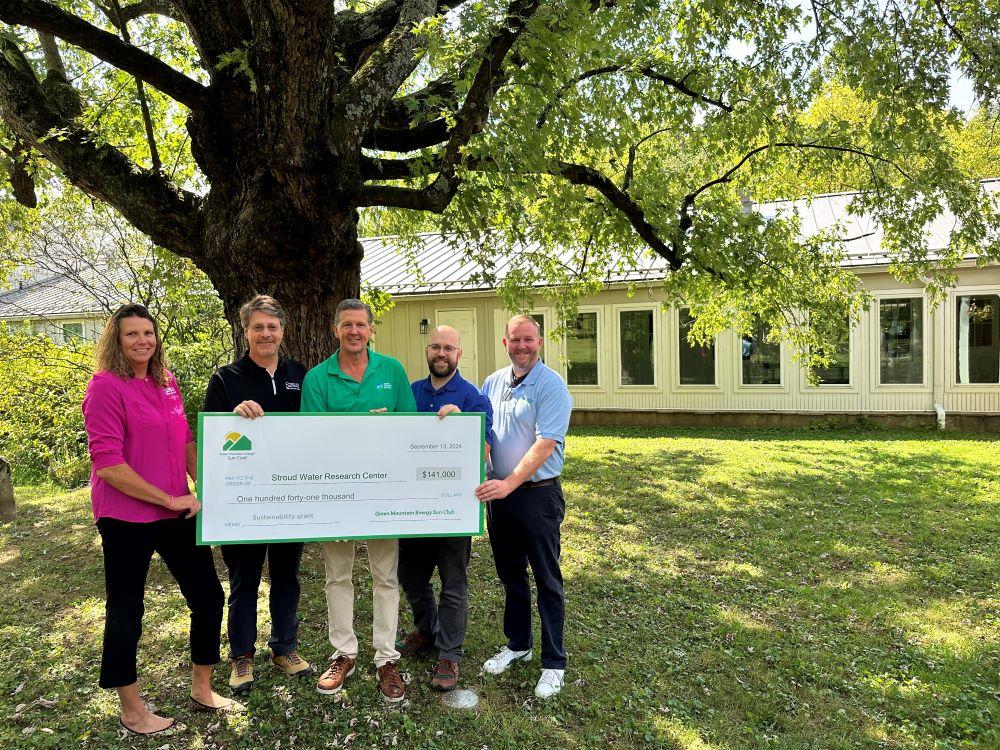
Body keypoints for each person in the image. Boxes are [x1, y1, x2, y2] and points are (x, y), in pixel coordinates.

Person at [82, 304, 236, 737]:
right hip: (126, 515)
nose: (142, 341)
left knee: (208, 597)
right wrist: (168, 498)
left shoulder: (165, 382)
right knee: (126, 608)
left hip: (176, 510)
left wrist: (206, 485)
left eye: (148, 333)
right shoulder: (104, 387)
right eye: (131, 334)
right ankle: (132, 710)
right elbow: (108, 464)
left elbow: (185, 439)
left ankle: (202, 688)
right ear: (116, 339)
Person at [300, 298, 417, 703]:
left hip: (384, 490)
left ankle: (386, 657)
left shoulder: (393, 371)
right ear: (336, 329)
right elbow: (313, 441)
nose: (354, 331)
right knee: (338, 575)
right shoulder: (318, 379)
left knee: (386, 576)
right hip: (337, 492)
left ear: (370, 330)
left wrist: (387, 428)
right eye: (346, 324)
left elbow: (410, 430)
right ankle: (344, 653)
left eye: (360, 325)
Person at [203, 295, 311, 694]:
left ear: (283, 331)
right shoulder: (225, 379)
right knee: (244, 579)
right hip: (243, 500)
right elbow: (213, 438)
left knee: (287, 576)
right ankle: (241, 656)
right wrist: (233, 414)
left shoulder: (301, 375)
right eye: (258, 327)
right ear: (245, 331)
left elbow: (317, 430)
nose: (266, 334)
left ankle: (285, 647)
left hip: (290, 496)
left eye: (273, 327)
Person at [475, 314, 573, 699]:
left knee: (547, 580)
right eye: (515, 340)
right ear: (505, 343)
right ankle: (518, 644)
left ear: (540, 342)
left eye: (528, 339)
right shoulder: (493, 382)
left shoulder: (552, 387)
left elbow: (545, 444)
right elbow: (484, 431)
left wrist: (508, 483)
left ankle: (553, 663)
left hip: (537, 495)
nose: (522, 346)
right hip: (501, 497)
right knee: (511, 577)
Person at [396, 325, 493, 691]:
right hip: (411, 508)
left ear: (459, 354)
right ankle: (427, 629)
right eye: (435, 346)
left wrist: (461, 429)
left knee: (453, 584)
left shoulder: (472, 398)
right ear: (427, 350)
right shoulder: (411, 394)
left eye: (448, 348)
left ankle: (449, 655)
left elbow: (484, 453)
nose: (441, 353)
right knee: (411, 576)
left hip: (453, 510)